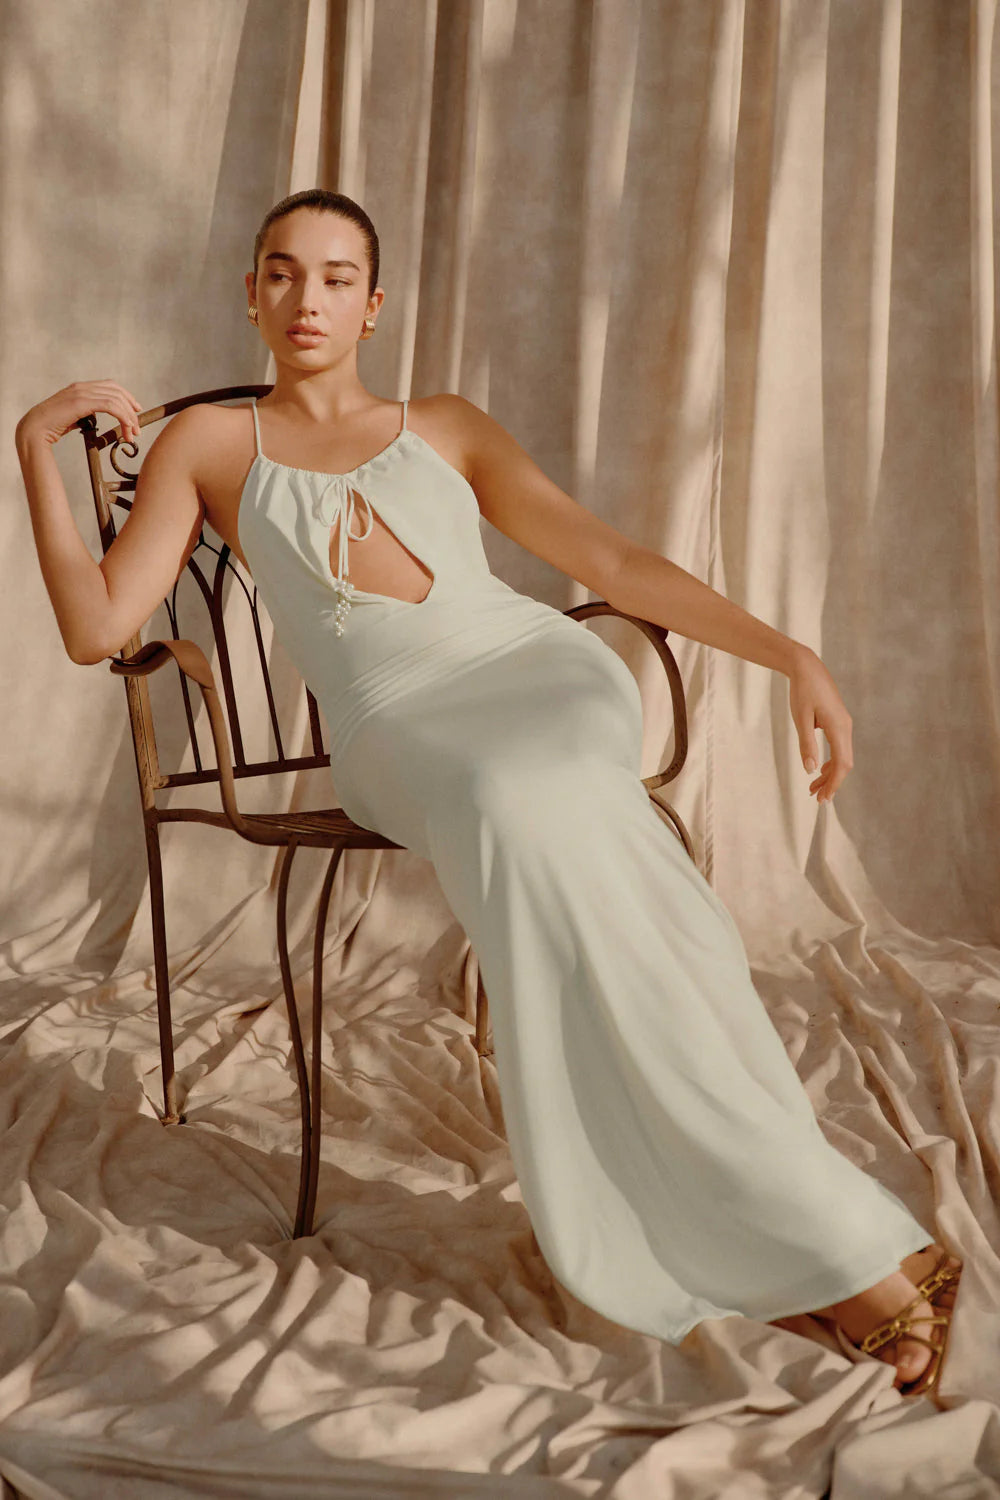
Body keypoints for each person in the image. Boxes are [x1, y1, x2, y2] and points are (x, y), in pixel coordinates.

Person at [15, 188, 962, 1401]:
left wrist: (792, 655)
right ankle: (805, 1237)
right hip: (395, 722)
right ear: (250, 292)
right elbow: (97, 629)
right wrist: (33, 447)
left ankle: (794, 1237)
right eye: (284, 273)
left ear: (373, 304)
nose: (309, 300)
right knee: (538, 820)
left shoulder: (448, 425)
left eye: (338, 278)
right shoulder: (205, 445)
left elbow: (607, 561)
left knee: (561, 813)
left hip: (537, 674)